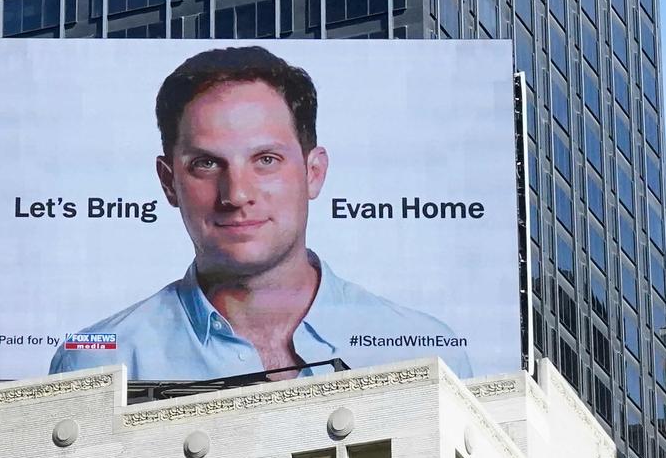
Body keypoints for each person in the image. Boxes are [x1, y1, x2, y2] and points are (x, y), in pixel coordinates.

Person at [50, 46, 472, 380]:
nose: (236, 194)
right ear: (167, 182)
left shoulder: (425, 352)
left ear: (314, 172)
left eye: (266, 160)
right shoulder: (98, 362)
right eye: (206, 164)